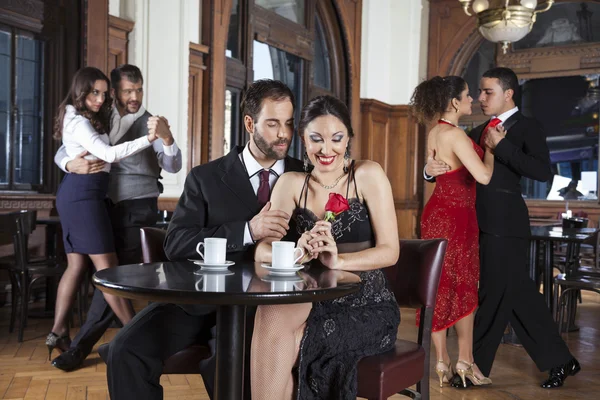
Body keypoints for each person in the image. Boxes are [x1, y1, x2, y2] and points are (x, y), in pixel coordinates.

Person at [102, 79, 304, 400]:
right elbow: (177, 243)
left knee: (232, 366)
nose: (284, 133)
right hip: (195, 302)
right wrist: (248, 231)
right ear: (249, 123)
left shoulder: (306, 178)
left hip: (262, 310)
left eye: (290, 123)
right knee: (124, 350)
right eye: (273, 123)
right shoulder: (205, 177)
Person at [425, 67, 580, 389]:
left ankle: (473, 367)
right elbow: (455, 166)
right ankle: (559, 360)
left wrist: (503, 147)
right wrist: (429, 172)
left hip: (507, 223)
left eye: (488, 92)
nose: (481, 98)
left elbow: (541, 171)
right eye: (478, 93)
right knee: (513, 293)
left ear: (508, 94)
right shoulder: (475, 130)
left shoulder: (528, 127)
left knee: (498, 293)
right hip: (471, 223)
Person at [251, 95, 401, 400]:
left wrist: (337, 261)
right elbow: (263, 249)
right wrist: (296, 251)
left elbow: (390, 251)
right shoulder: (291, 183)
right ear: (303, 139)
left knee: (287, 343)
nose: (326, 149)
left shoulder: (368, 174)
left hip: (366, 304)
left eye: (337, 138)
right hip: (310, 295)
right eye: (316, 139)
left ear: (349, 138)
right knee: (269, 311)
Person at [51, 64, 182, 371]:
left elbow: (173, 165)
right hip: (101, 206)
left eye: (138, 90)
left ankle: (81, 348)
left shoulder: (153, 123)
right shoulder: (100, 116)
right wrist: (70, 164)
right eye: (127, 91)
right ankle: (134, 341)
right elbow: (63, 149)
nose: (134, 97)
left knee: (110, 277)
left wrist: (167, 139)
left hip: (138, 208)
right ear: (115, 92)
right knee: (108, 277)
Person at [410, 76, 496, 388]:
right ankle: (465, 361)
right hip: (458, 217)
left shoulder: (435, 131)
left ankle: (442, 362)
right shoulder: (457, 136)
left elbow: (436, 169)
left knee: (438, 285)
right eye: (468, 95)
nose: (472, 100)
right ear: (455, 102)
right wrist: (491, 149)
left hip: (435, 213)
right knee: (463, 286)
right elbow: (484, 177)